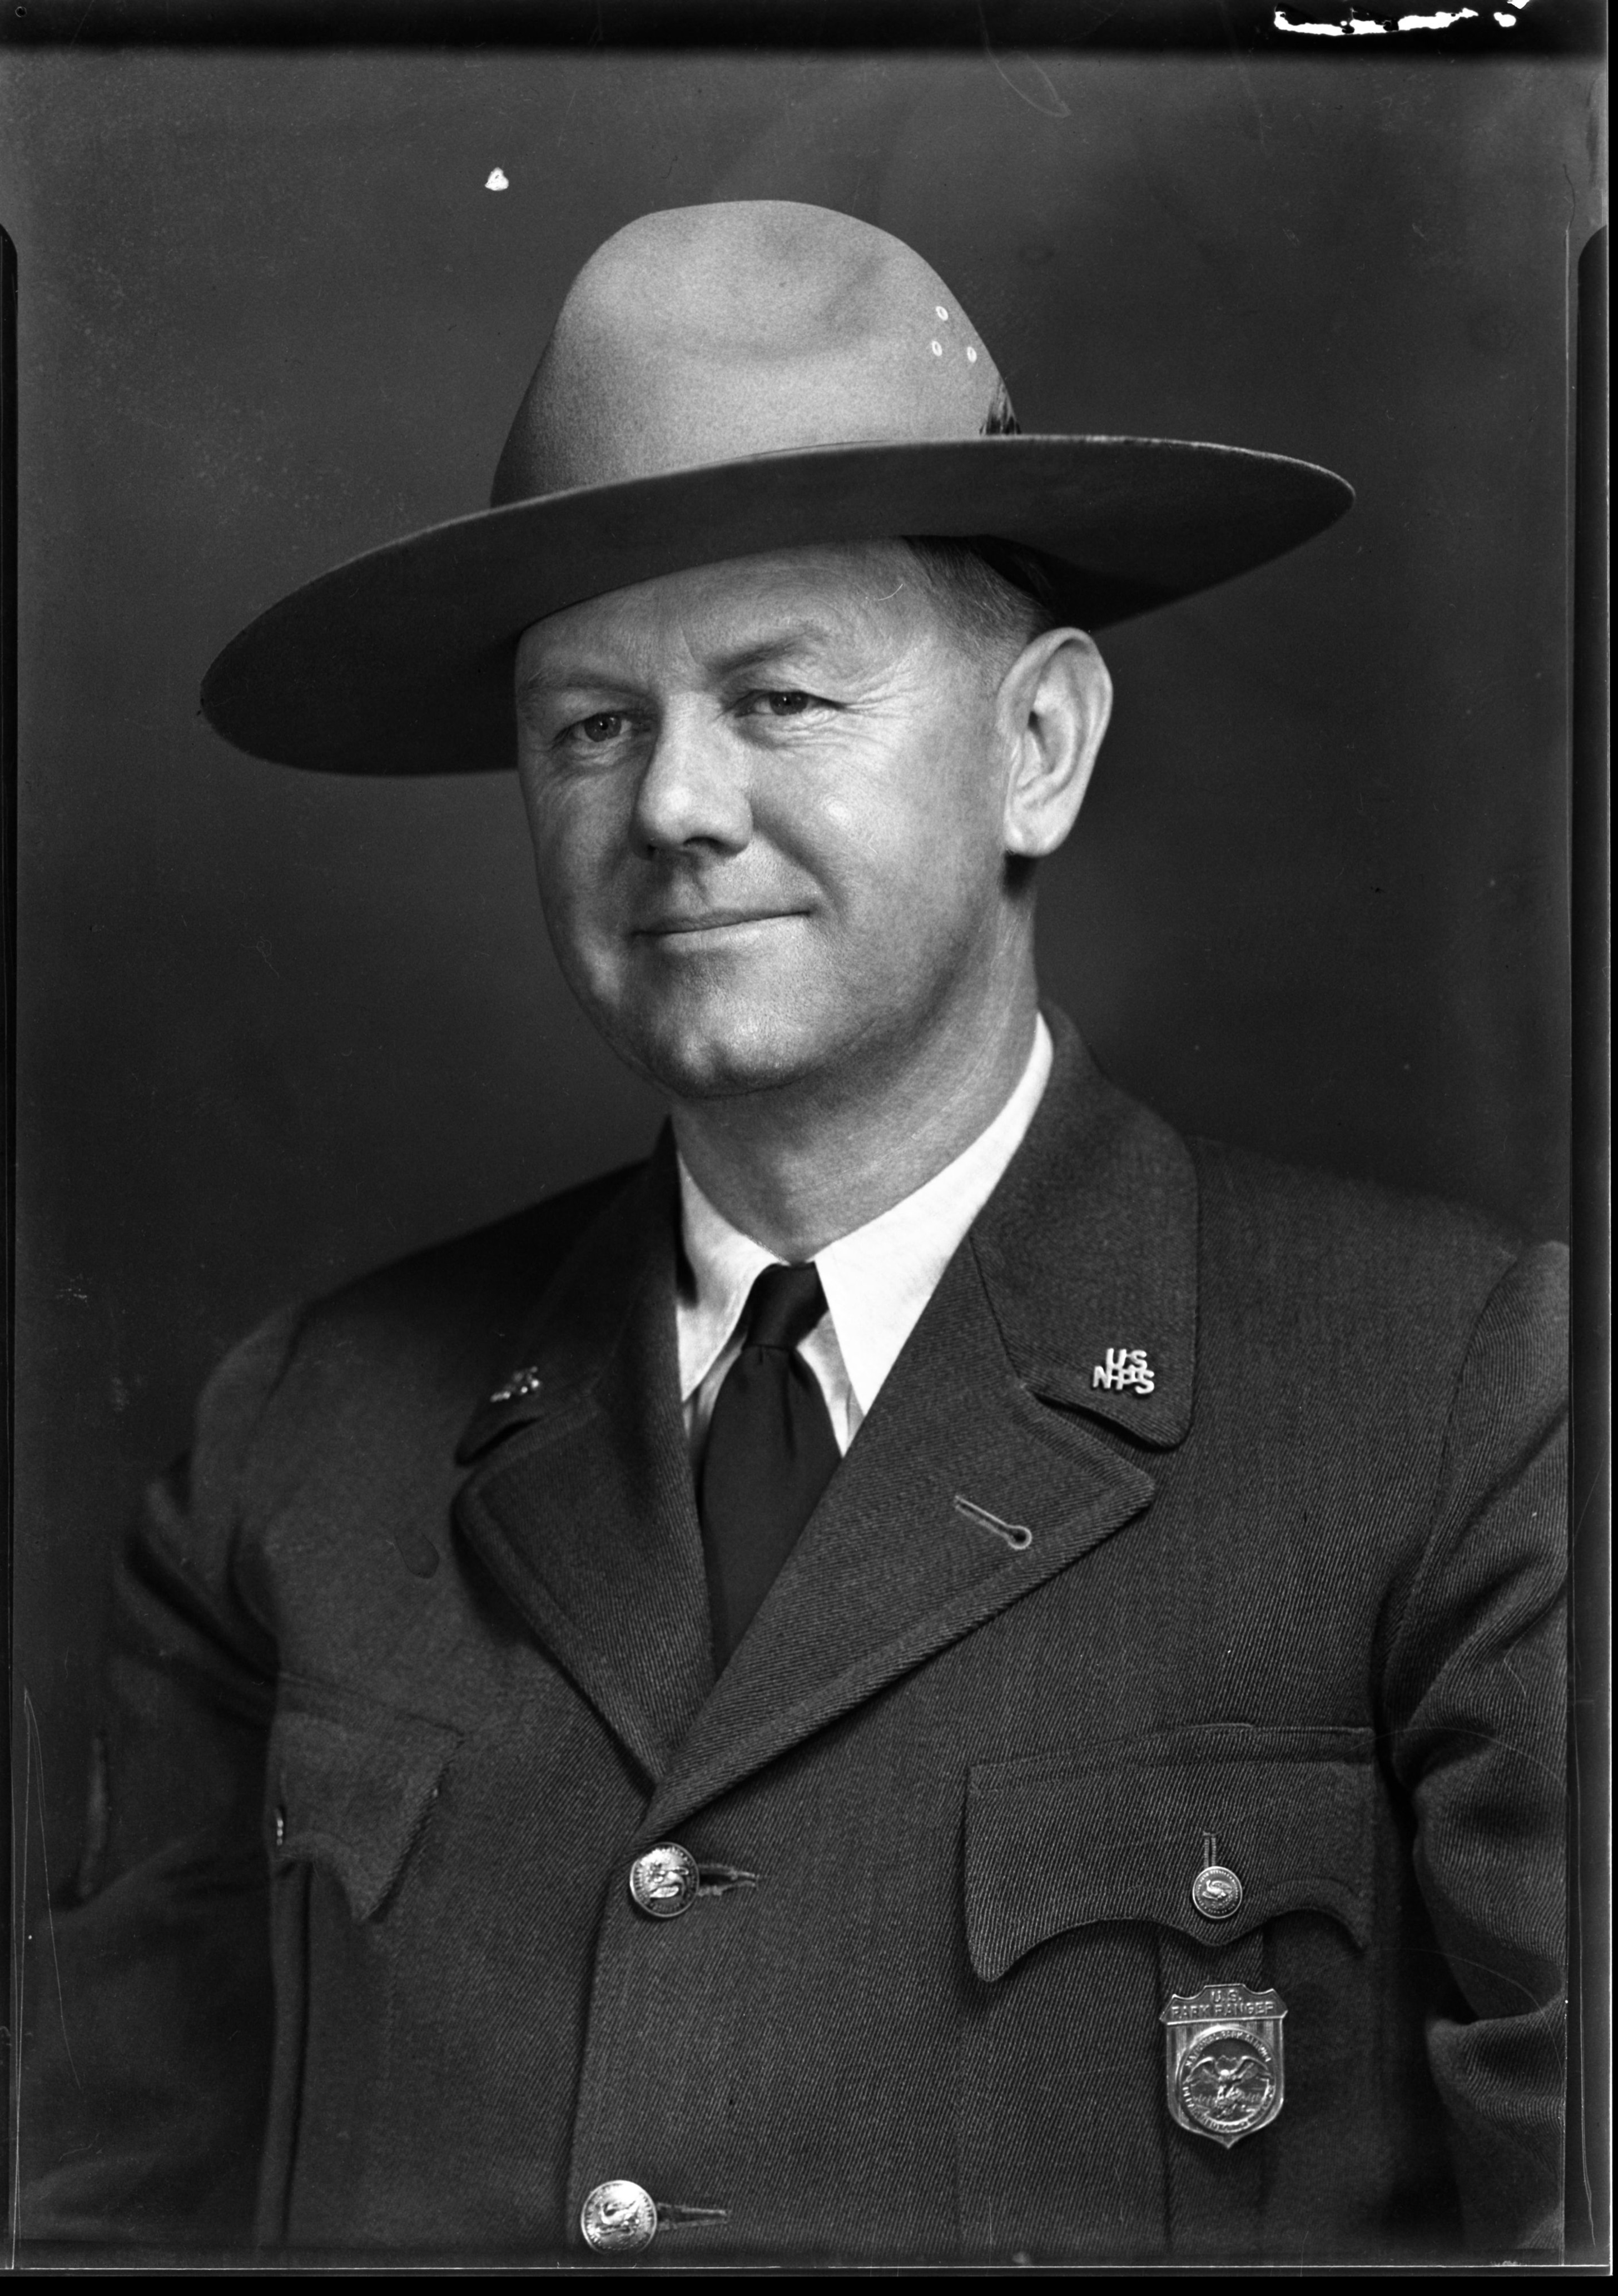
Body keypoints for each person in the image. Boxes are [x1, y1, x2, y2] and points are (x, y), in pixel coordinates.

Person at [22, 201, 1565, 2267]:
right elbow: (105, 2218)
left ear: (1039, 748)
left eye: (777, 698)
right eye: (591, 723)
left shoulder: (1462, 1407)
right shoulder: (297, 1444)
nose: (668, 806)